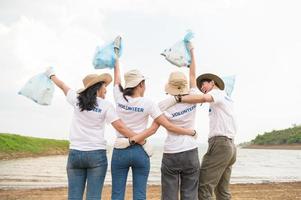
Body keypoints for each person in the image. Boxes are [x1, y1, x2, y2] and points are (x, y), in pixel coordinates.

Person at [45, 68, 155, 200]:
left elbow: (62, 85)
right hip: (96, 155)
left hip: (75, 153)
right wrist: (141, 141)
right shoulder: (105, 105)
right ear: (97, 87)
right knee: (94, 196)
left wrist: (51, 75)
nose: (106, 89)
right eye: (104, 86)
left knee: (73, 196)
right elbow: (120, 127)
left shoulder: (77, 99)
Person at [111, 37, 197, 200]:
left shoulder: (119, 97)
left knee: (117, 193)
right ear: (141, 85)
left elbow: (117, 76)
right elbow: (163, 127)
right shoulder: (149, 104)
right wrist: (190, 132)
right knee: (140, 193)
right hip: (140, 152)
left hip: (120, 150)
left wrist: (116, 54)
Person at [162, 72, 237, 200]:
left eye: (203, 84)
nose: (202, 88)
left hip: (220, 144)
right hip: (231, 146)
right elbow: (193, 82)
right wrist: (191, 53)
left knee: (203, 188)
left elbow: (202, 98)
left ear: (213, 83)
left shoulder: (217, 93)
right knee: (222, 191)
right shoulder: (226, 98)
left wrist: (177, 99)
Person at [159, 45, 200, 200]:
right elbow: (193, 75)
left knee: (169, 196)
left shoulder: (162, 105)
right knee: (190, 194)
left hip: (171, 151)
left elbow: (167, 126)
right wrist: (192, 52)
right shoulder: (193, 96)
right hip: (190, 149)